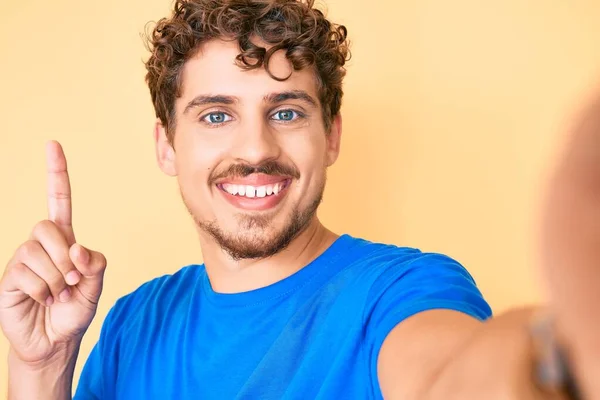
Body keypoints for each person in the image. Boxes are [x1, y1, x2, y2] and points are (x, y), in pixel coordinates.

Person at [1, 0, 598, 399]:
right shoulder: (136, 320)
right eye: (216, 115)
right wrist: (41, 365)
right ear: (167, 145)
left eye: (286, 112)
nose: (255, 148)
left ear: (330, 135)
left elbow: (448, 375)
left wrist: (563, 355)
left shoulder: (400, 291)